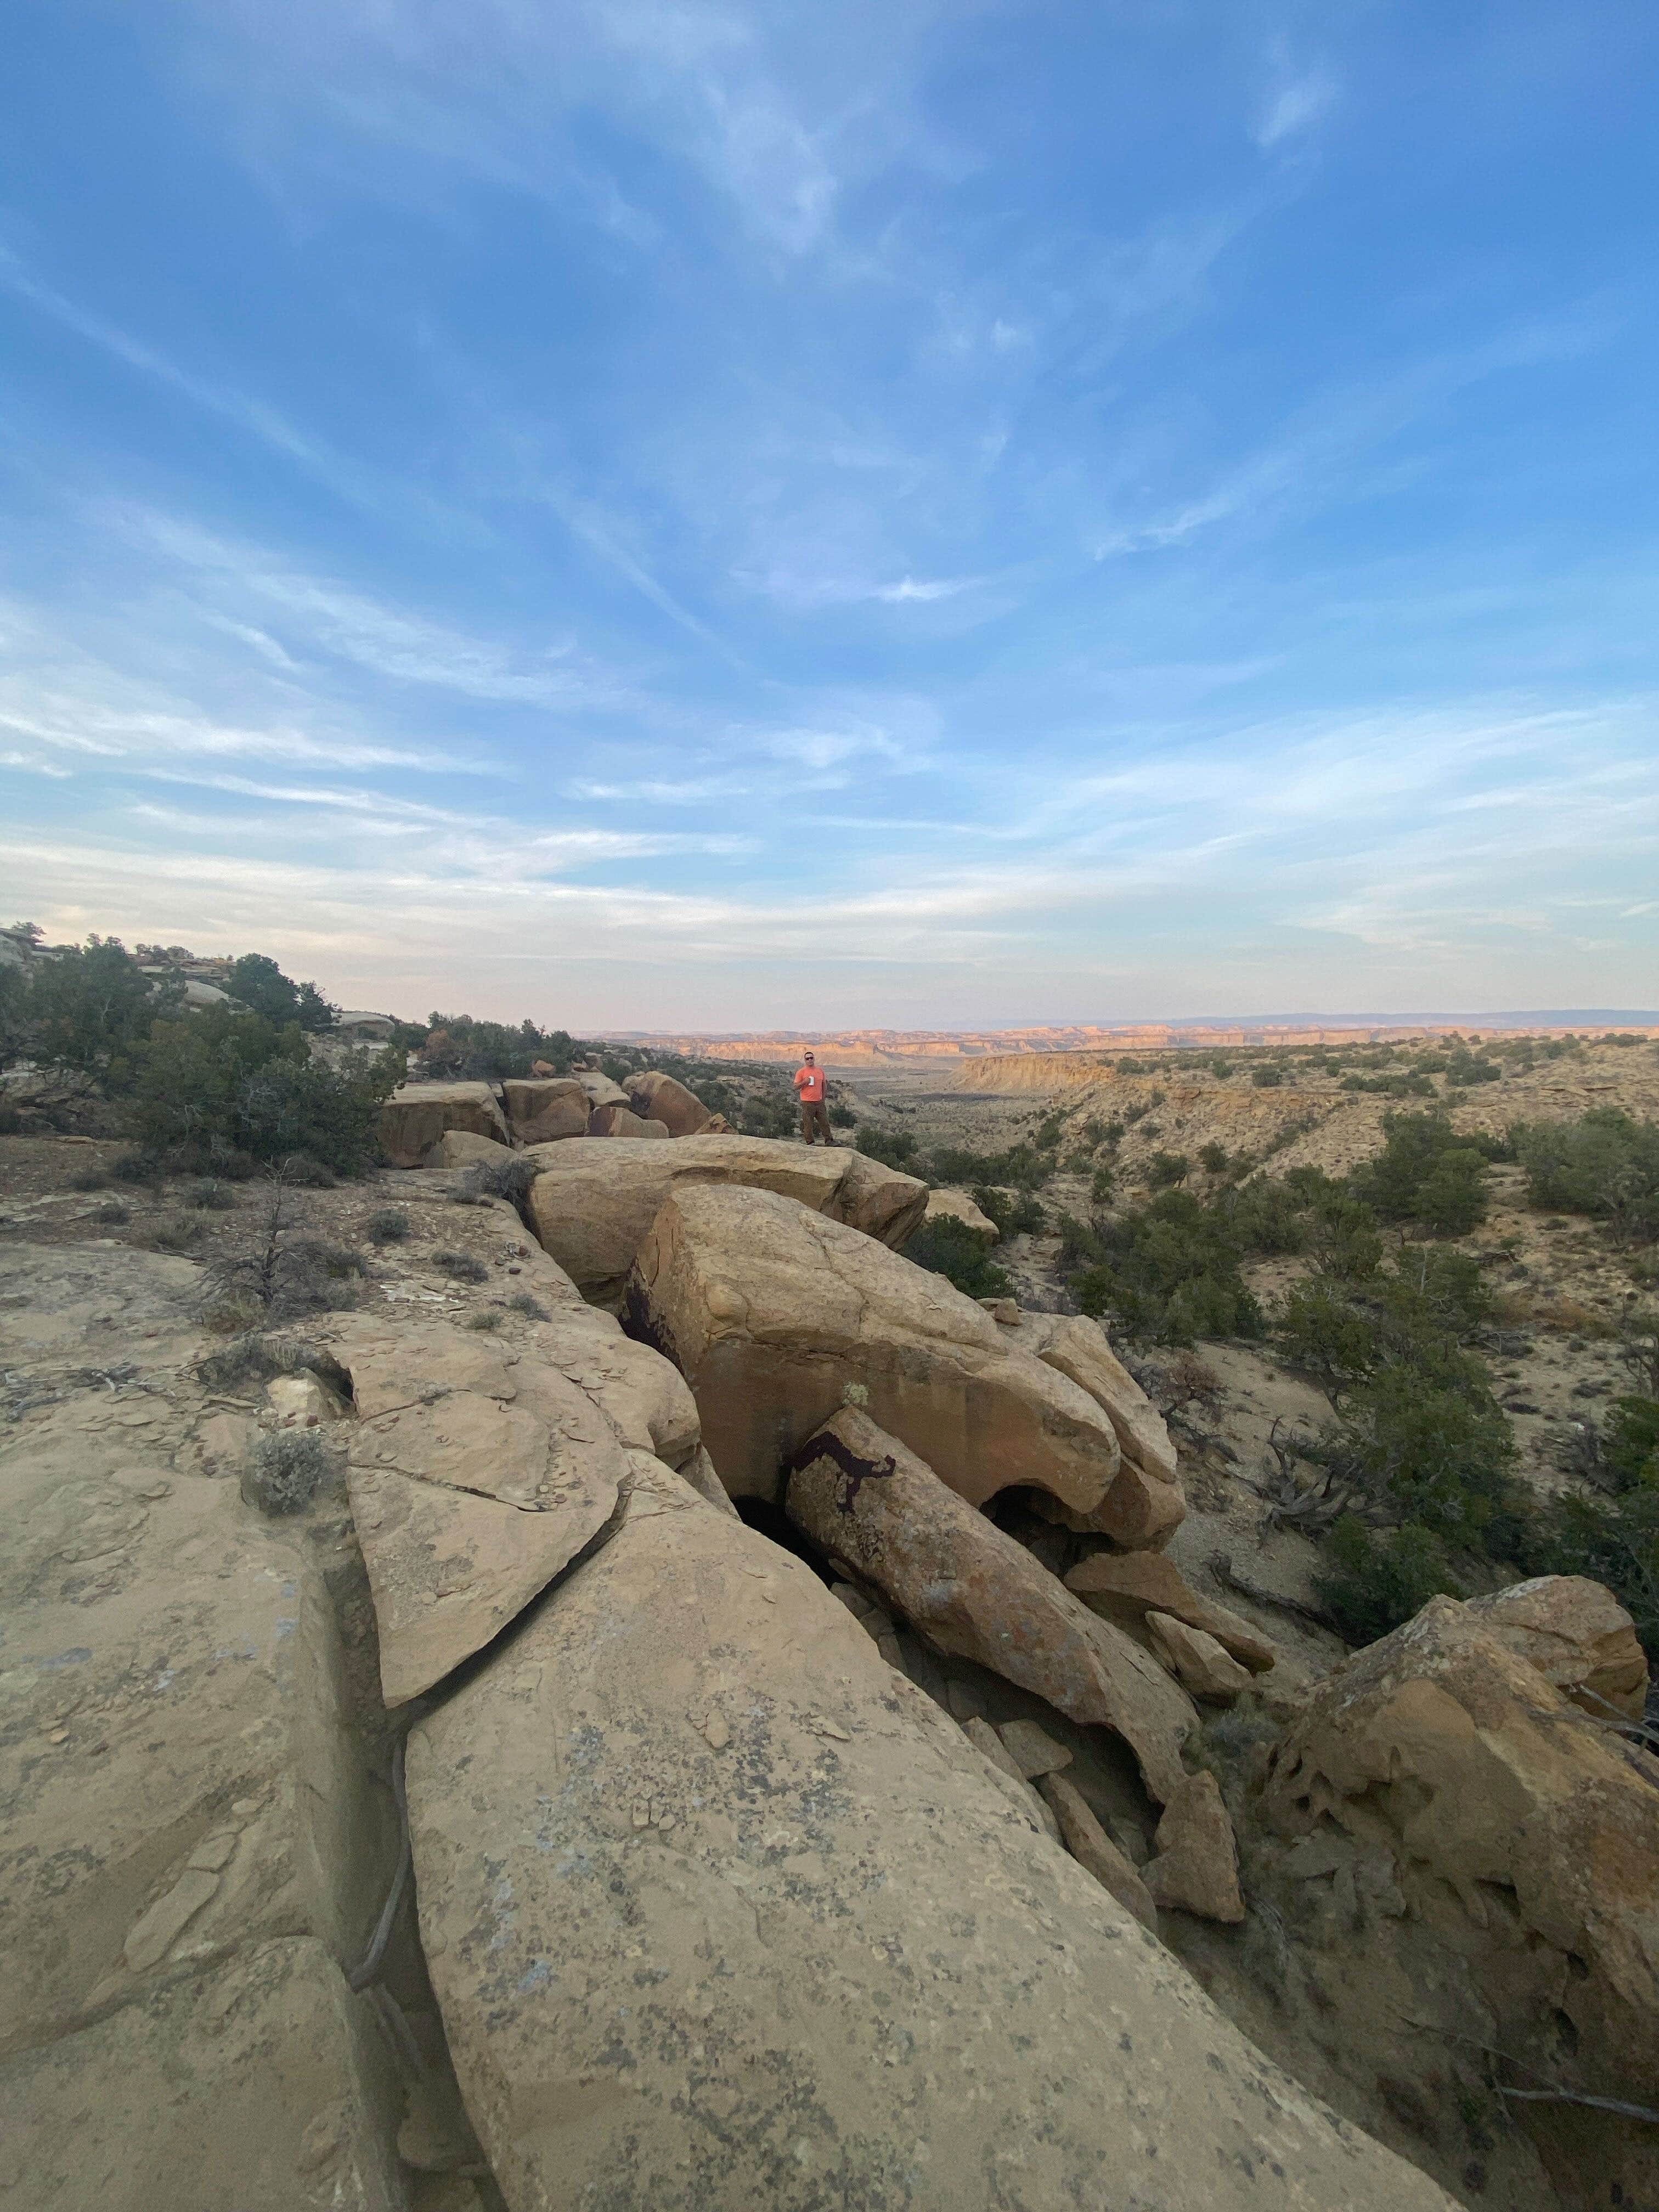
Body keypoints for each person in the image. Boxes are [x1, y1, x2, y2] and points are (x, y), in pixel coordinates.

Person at [793, 1049, 834, 1145]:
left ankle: (829, 1141)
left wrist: (823, 1098)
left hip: (819, 1102)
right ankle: (810, 1142)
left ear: (814, 1058)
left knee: (825, 1123)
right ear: (805, 1060)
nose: (810, 1060)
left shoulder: (820, 1071)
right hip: (807, 1102)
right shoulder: (801, 1072)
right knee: (808, 1124)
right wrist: (804, 1082)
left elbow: (824, 1084)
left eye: (811, 1058)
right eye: (808, 1059)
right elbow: (795, 1087)